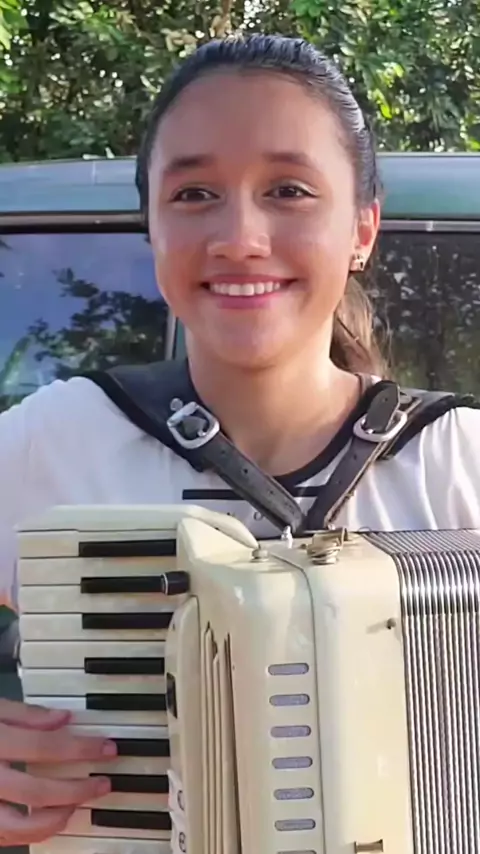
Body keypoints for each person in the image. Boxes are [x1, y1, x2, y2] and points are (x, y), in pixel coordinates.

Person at [0, 32, 479, 847]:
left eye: (289, 190)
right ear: (151, 227)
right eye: (193, 195)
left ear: (363, 229)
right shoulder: (56, 441)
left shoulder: (459, 460)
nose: (240, 237)